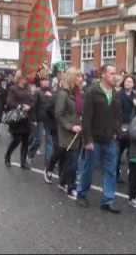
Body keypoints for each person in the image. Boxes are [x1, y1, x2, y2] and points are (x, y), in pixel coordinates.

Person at [76, 65, 122, 214]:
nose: (114, 76)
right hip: (94, 139)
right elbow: (86, 118)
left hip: (110, 139)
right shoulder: (92, 92)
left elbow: (117, 115)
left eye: (115, 73)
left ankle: (108, 200)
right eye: (111, 73)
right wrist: (87, 140)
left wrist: (117, 131)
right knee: (88, 169)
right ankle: (81, 194)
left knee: (111, 170)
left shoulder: (115, 93)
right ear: (103, 74)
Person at [44, 67, 82, 200]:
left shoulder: (78, 93)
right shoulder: (63, 94)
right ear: (72, 78)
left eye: (81, 76)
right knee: (72, 161)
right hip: (67, 131)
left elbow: (79, 111)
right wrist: (71, 127)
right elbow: (58, 114)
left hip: (78, 131)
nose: (81, 79)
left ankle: (63, 182)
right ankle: (70, 188)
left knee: (68, 159)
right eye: (78, 77)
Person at [4, 71, 35, 170]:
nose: (25, 80)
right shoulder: (13, 88)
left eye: (26, 78)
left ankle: (23, 162)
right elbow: (10, 102)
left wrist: (29, 106)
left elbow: (32, 100)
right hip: (17, 118)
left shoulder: (28, 88)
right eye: (23, 78)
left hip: (26, 117)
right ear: (19, 78)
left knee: (25, 141)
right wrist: (21, 106)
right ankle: (7, 156)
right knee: (16, 140)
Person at [117, 75, 136, 183]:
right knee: (118, 152)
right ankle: (116, 174)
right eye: (126, 81)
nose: (128, 83)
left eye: (130, 82)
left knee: (132, 152)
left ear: (133, 84)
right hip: (121, 126)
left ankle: (132, 175)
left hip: (133, 126)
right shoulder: (118, 94)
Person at [28, 76, 53, 161]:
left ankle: (49, 160)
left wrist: (51, 97)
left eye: (47, 80)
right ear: (41, 82)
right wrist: (34, 119)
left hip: (49, 119)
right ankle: (30, 154)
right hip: (39, 119)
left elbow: (53, 105)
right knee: (38, 139)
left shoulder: (51, 92)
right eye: (44, 80)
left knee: (49, 140)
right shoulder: (38, 92)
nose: (46, 82)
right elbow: (33, 106)